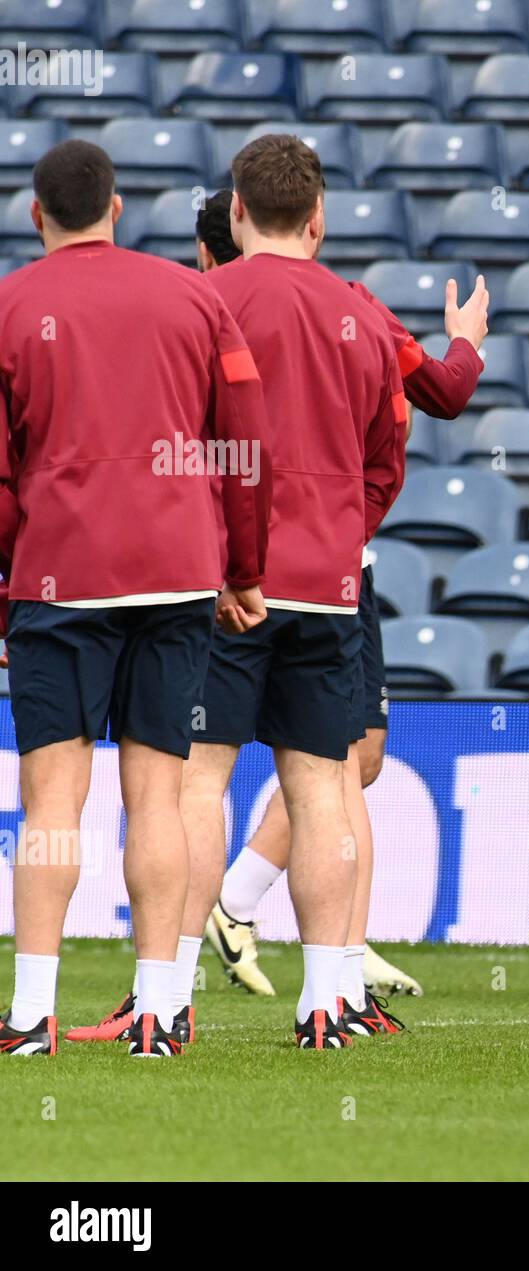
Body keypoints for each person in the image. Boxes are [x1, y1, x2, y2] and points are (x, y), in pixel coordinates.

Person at [0, 140, 271, 1057]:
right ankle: (157, 1011)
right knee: (156, 794)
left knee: (51, 803)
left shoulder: (9, 306)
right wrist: (242, 569)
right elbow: (245, 439)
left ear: (37, 216)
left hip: (60, 574)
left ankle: (32, 1015)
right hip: (176, 573)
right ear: (117, 210)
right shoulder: (193, 295)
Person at [184, 135, 404, 1050]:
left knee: (198, 782)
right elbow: (386, 461)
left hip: (222, 586)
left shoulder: (202, 299)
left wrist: (220, 554)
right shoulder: (364, 314)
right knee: (323, 785)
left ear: (235, 211)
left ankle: (162, 998)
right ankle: (328, 1001)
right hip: (328, 583)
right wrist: (339, 539)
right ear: (318, 219)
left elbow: (181, 445)